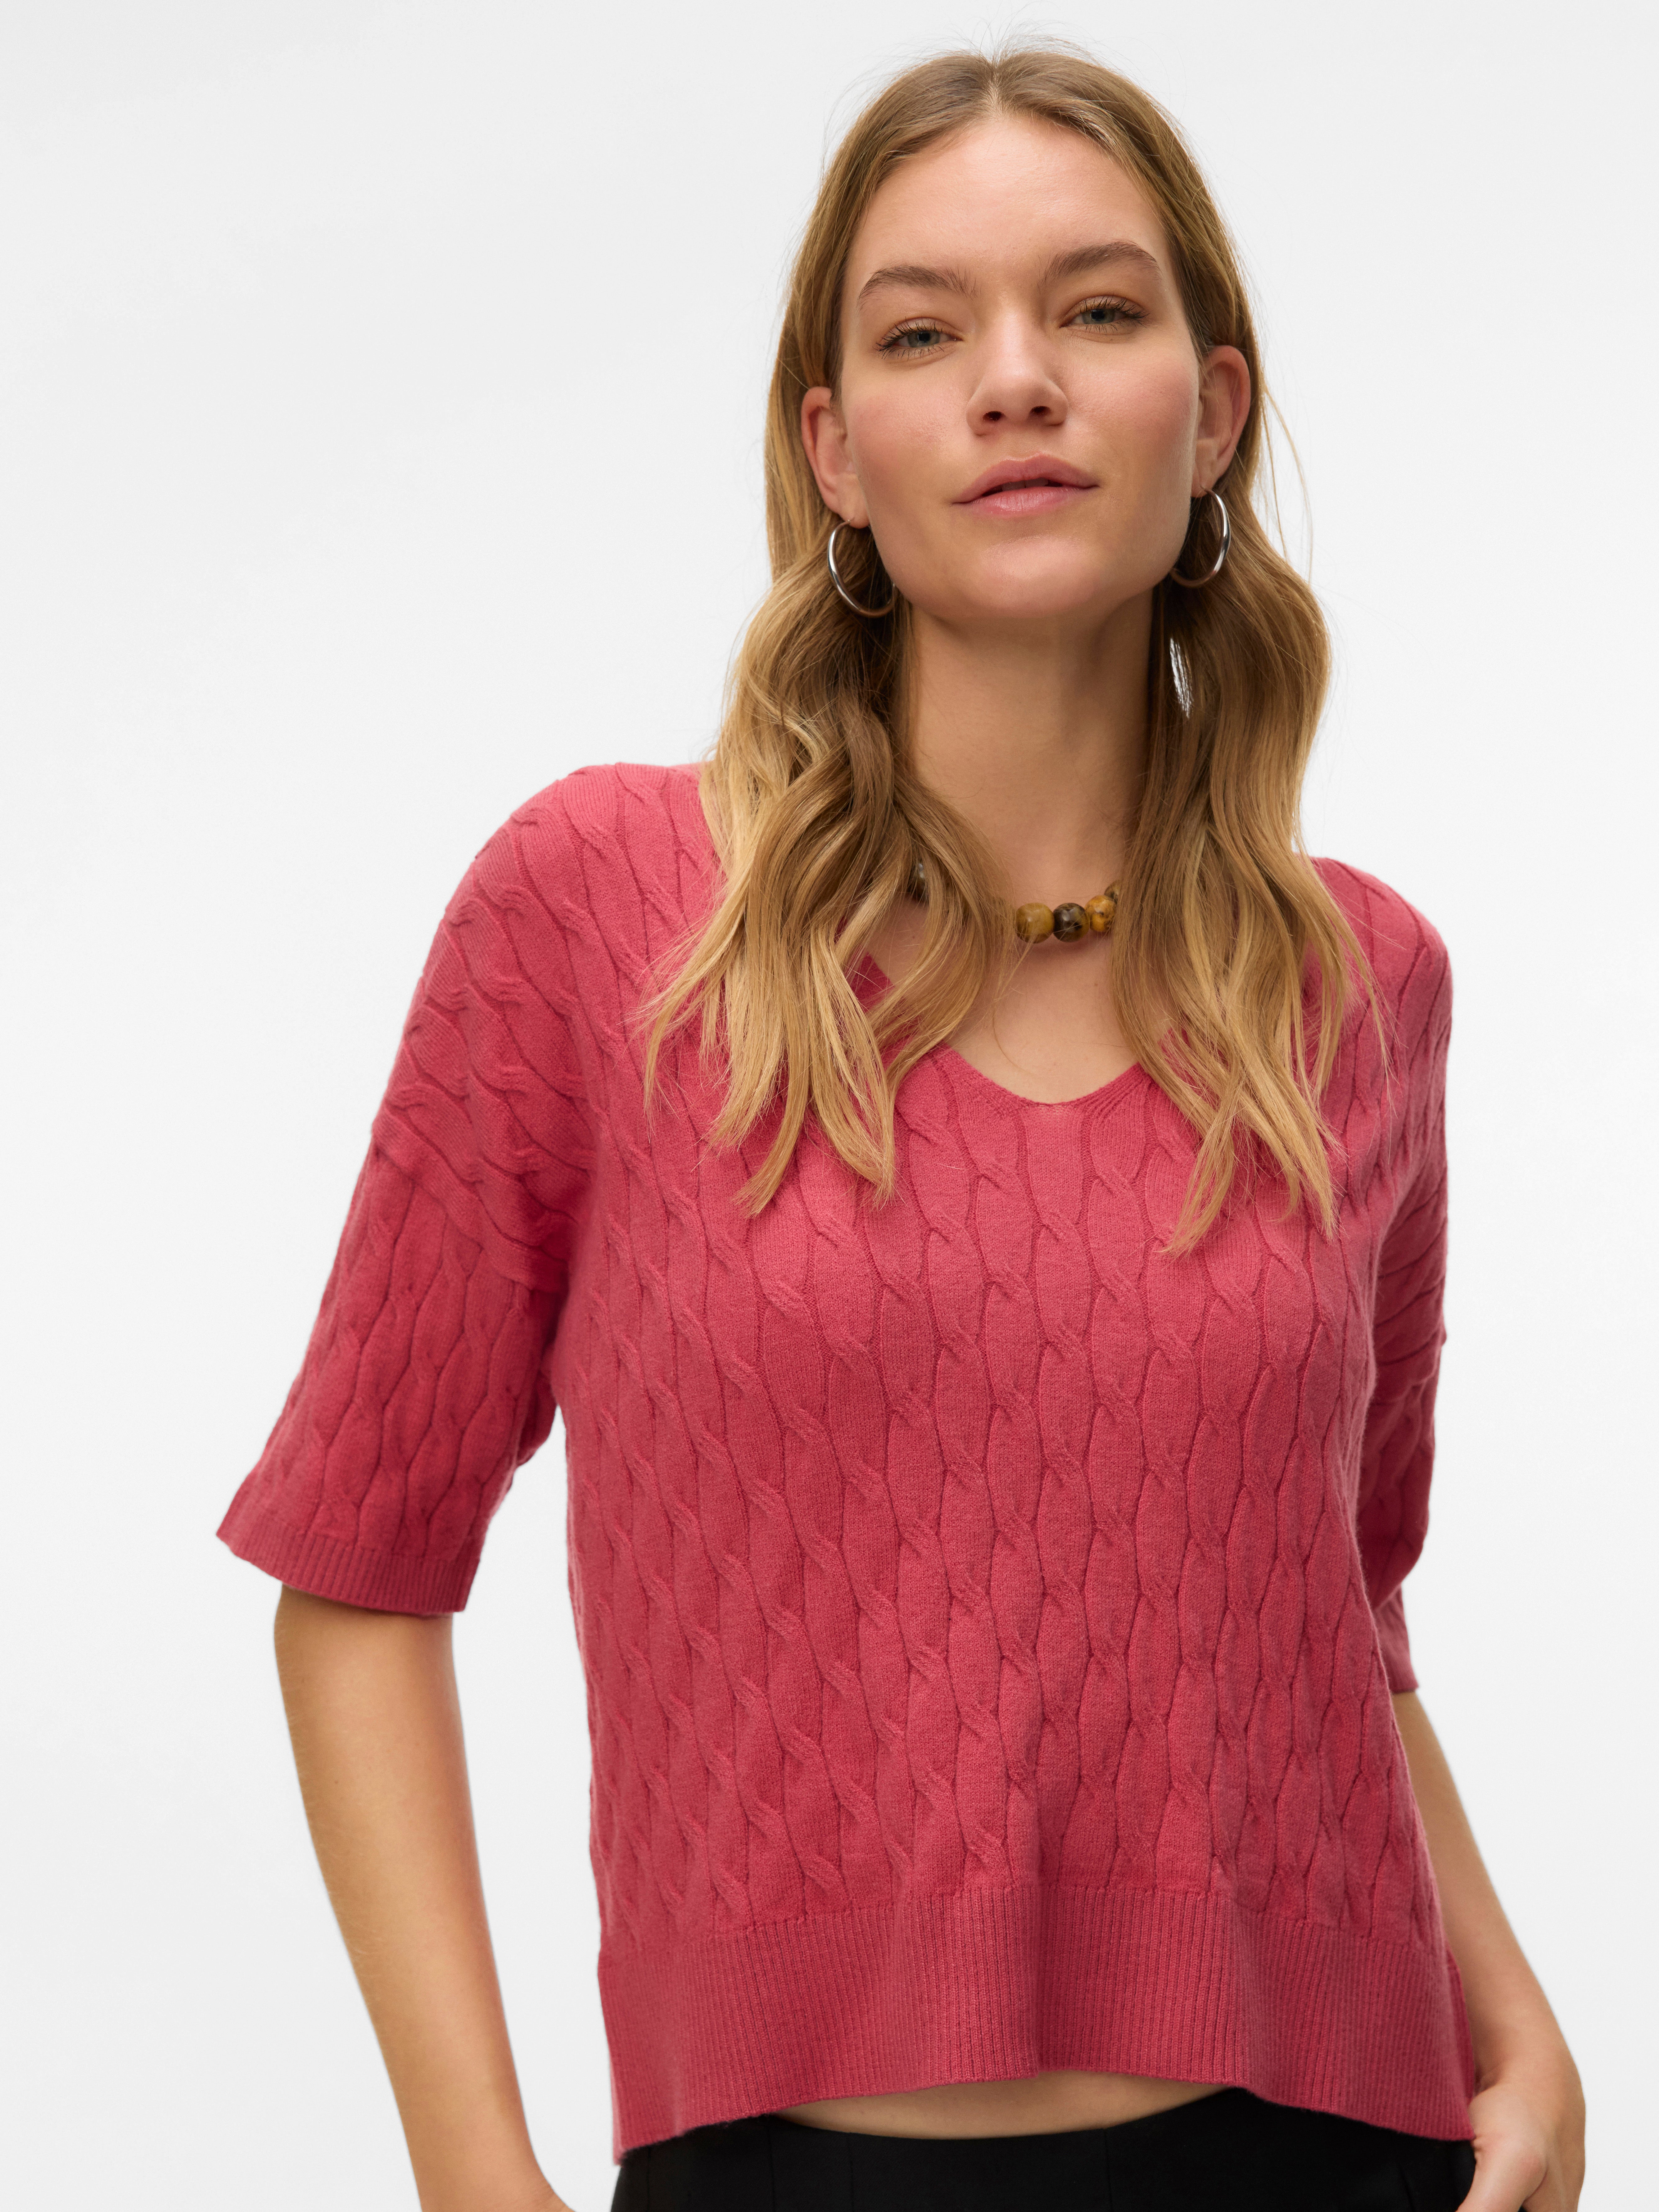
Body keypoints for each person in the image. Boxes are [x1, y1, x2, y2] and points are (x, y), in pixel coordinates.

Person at [217, 43, 1585, 2212]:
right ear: (834, 451)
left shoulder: (1360, 984)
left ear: (1214, 413)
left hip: (1336, 2146)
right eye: (926, 332)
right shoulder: (602, 911)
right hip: (783, 2169)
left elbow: (1343, 1604)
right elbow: (354, 1576)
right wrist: (476, 2173)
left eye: (1100, 311)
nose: (1017, 380)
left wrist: (1520, 2023)